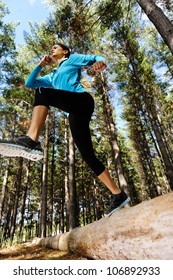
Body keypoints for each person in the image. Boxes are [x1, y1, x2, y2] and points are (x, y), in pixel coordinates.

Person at [0, 43, 130, 216]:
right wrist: (40, 65)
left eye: (55, 47)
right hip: (74, 113)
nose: (52, 49)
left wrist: (100, 62)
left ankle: (31, 140)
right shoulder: (52, 76)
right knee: (87, 155)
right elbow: (29, 83)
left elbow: (94, 58)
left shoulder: (72, 59)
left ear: (65, 51)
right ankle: (118, 194)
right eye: (50, 48)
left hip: (82, 101)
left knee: (42, 92)